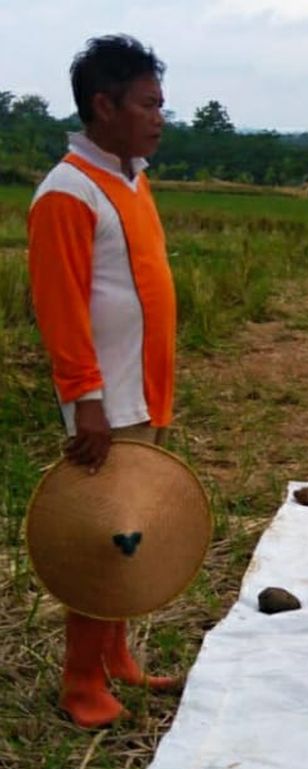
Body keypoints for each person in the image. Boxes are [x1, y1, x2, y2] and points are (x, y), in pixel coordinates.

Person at [27, 34, 178, 727]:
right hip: (104, 402)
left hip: (139, 393)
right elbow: (61, 310)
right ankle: (80, 681)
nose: (159, 115)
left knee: (131, 532)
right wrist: (84, 400)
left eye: (160, 102)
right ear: (103, 105)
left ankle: (116, 656)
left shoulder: (130, 178)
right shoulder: (68, 192)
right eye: (147, 103)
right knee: (104, 540)